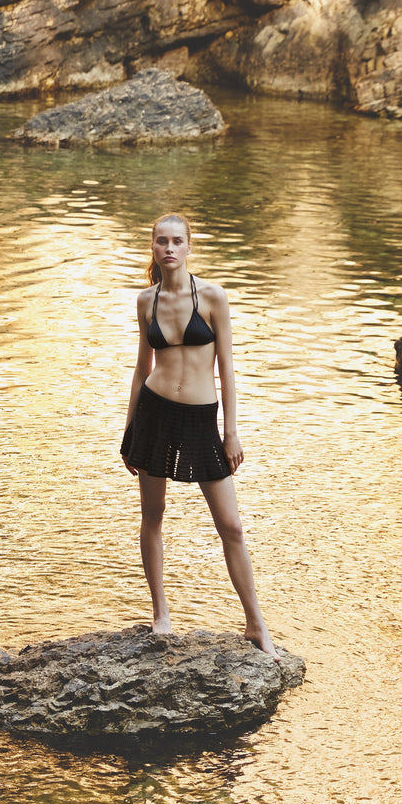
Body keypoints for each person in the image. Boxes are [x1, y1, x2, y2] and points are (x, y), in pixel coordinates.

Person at [120, 212, 279, 660]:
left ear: (190, 246)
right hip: (153, 415)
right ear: (152, 247)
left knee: (231, 525)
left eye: (176, 241)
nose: (168, 248)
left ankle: (255, 624)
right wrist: (129, 428)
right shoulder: (145, 301)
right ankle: (161, 615)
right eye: (160, 242)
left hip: (201, 420)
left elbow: (227, 368)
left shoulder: (212, 296)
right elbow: (141, 369)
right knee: (153, 514)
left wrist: (231, 431)